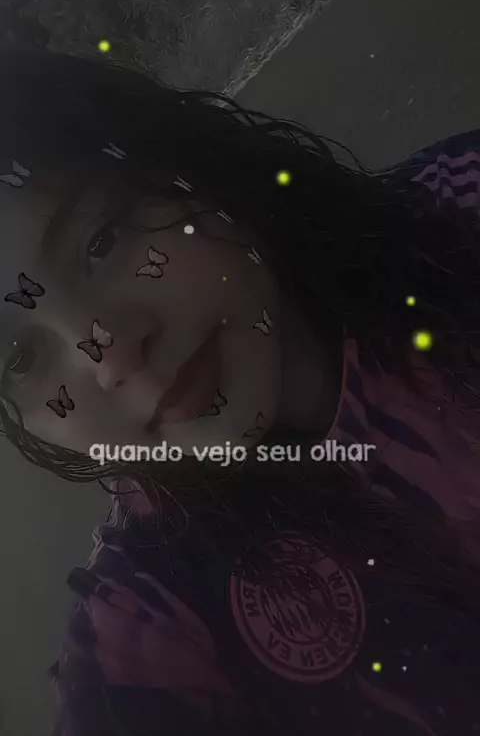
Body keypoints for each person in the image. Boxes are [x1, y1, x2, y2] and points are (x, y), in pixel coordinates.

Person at [1, 47, 480, 736]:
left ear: (187, 164)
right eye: (20, 357)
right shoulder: (158, 610)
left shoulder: (459, 216)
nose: (111, 357)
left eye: (100, 240)